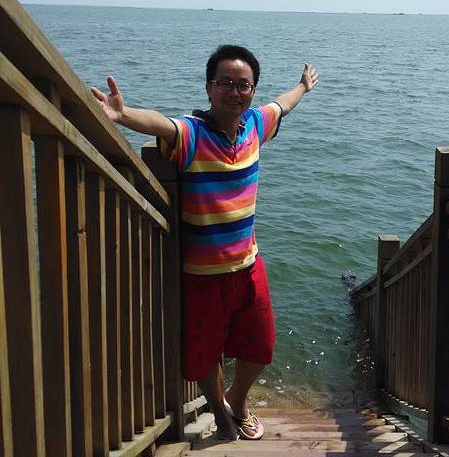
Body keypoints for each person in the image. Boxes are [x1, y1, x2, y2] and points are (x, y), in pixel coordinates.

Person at [91, 45, 319, 441]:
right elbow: (162, 125)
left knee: (261, 346)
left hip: (248, 265)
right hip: (201, 275)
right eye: (225, 83)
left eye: (243, 85)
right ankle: (220, 413)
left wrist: (302, 86)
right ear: (209, 87)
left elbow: (282, 105)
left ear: (252, 90)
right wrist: (122, 115)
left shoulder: (255, 125)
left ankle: (237, 400)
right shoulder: (191, 133)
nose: (234, 92)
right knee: (204, 353)